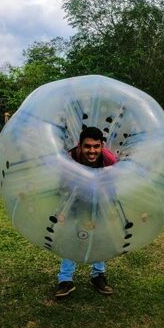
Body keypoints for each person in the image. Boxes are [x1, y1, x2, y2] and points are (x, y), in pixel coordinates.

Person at [55, 126, 118, 299]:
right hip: (74, 197)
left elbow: (112, 187)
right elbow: (62, 187)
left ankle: (98, 275)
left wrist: (109, 209)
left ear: (102, 146)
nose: (92, 151)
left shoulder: (109, 160)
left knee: (99, 234)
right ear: (79, 145)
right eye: (87, 146)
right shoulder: (70, 159)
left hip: (100, 196)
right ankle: (65, 279)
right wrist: (63, 211)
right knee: (71, 236)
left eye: (96, 146)